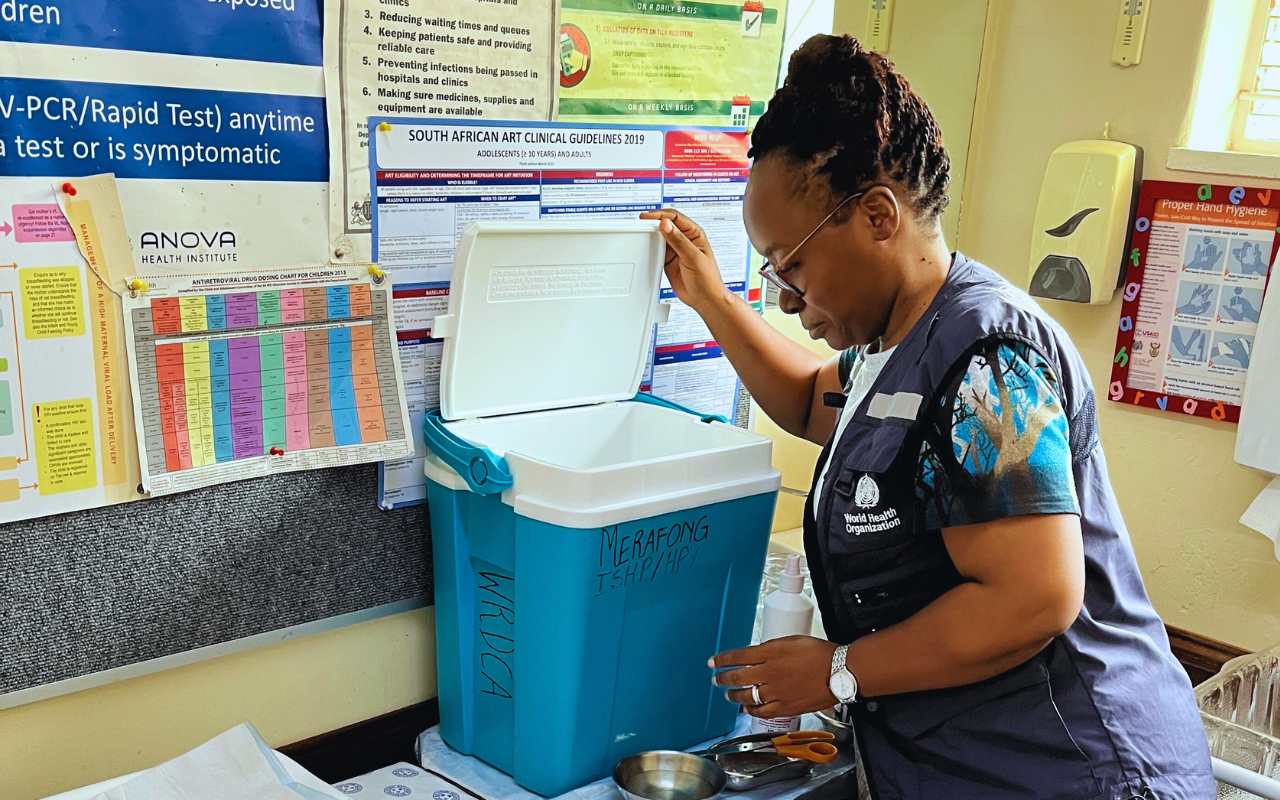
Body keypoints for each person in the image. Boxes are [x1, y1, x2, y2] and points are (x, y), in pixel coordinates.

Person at [642, 34, 1214, 800]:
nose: (786, 296)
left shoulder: (986, 358)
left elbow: (1034, 596)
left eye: (794, 264)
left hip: (1077, 770)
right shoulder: (901, 338)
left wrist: (837, 671)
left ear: (878, 215)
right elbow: (816, 400)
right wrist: (710, 299)